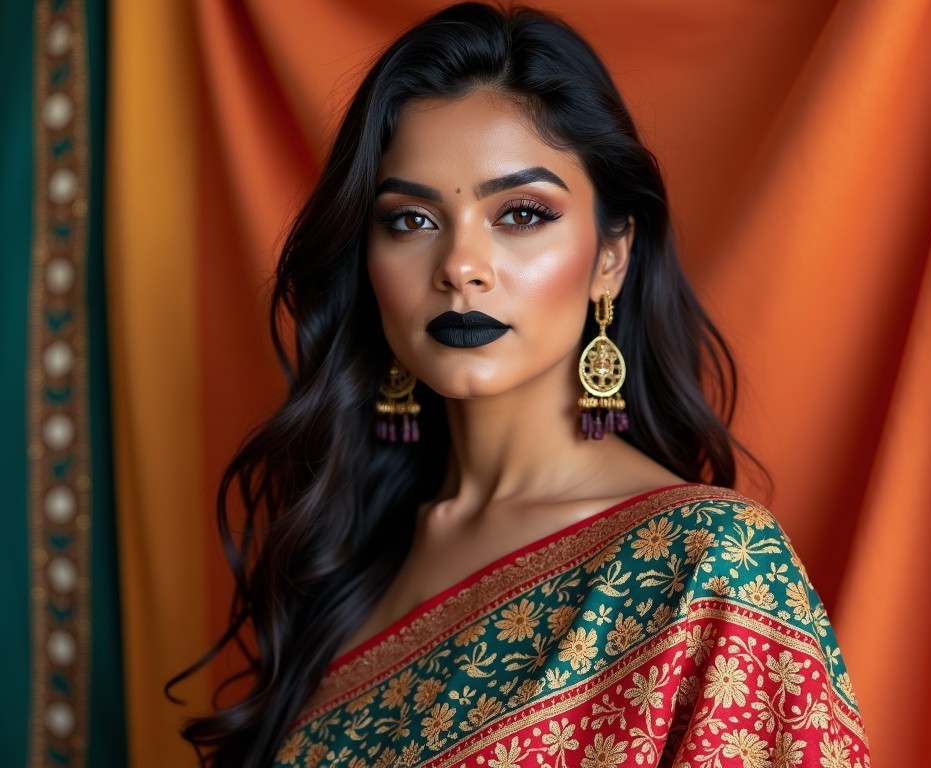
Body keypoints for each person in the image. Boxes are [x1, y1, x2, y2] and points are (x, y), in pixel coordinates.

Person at [173, 4, 870, 766]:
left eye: (522, 214)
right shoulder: (344, 562)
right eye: (410, 221)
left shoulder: (708, 567)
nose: (460, 265)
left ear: (611, 255)